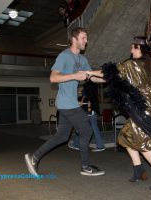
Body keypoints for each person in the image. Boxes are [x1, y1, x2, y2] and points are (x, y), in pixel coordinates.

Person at [86, 34, 151, 190]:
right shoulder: (148, 66)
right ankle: (139, 170)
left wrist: (89, 71)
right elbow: (114, 79)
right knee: (126, 136)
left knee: (144, 144)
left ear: (138, 48)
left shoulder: (131, 64)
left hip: (143, 109)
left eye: (132, 46)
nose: (130, 48)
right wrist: (91, 76)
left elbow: (110, 74)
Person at [25, 27, 105, 176]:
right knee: (86, 130)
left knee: (62, 136)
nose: (86, 41)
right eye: (83, 38)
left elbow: (92, 77)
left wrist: (108, 79)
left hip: (68, 104)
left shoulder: (83, 59)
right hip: (67, 104)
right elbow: (53, 78)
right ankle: (85, 167)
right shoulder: (64, 56)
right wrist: (74, 75)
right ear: (74, 39)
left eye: (86, 38)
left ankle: (34, 157)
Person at [68, 81, 106, 152]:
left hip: (86, 113)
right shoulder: (94, 90)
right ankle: (100, 146)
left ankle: (76, 144)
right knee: (94, 129)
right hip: (92, 112)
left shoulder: (85, 92)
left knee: (80, 128)